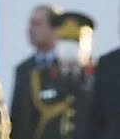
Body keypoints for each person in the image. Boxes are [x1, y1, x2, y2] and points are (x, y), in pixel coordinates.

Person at [13, 11, 96, 139]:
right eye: (64, 40)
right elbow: (23, 123)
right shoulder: (38, 78)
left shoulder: (99, 77)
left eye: (75, 41)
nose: (69, 47)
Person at [11, 4, 62, 139]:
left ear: (54, 28)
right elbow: (17, 118)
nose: (30, 29)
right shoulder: (23, 70)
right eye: (30, 24)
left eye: (37, 24)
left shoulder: (67, 68)